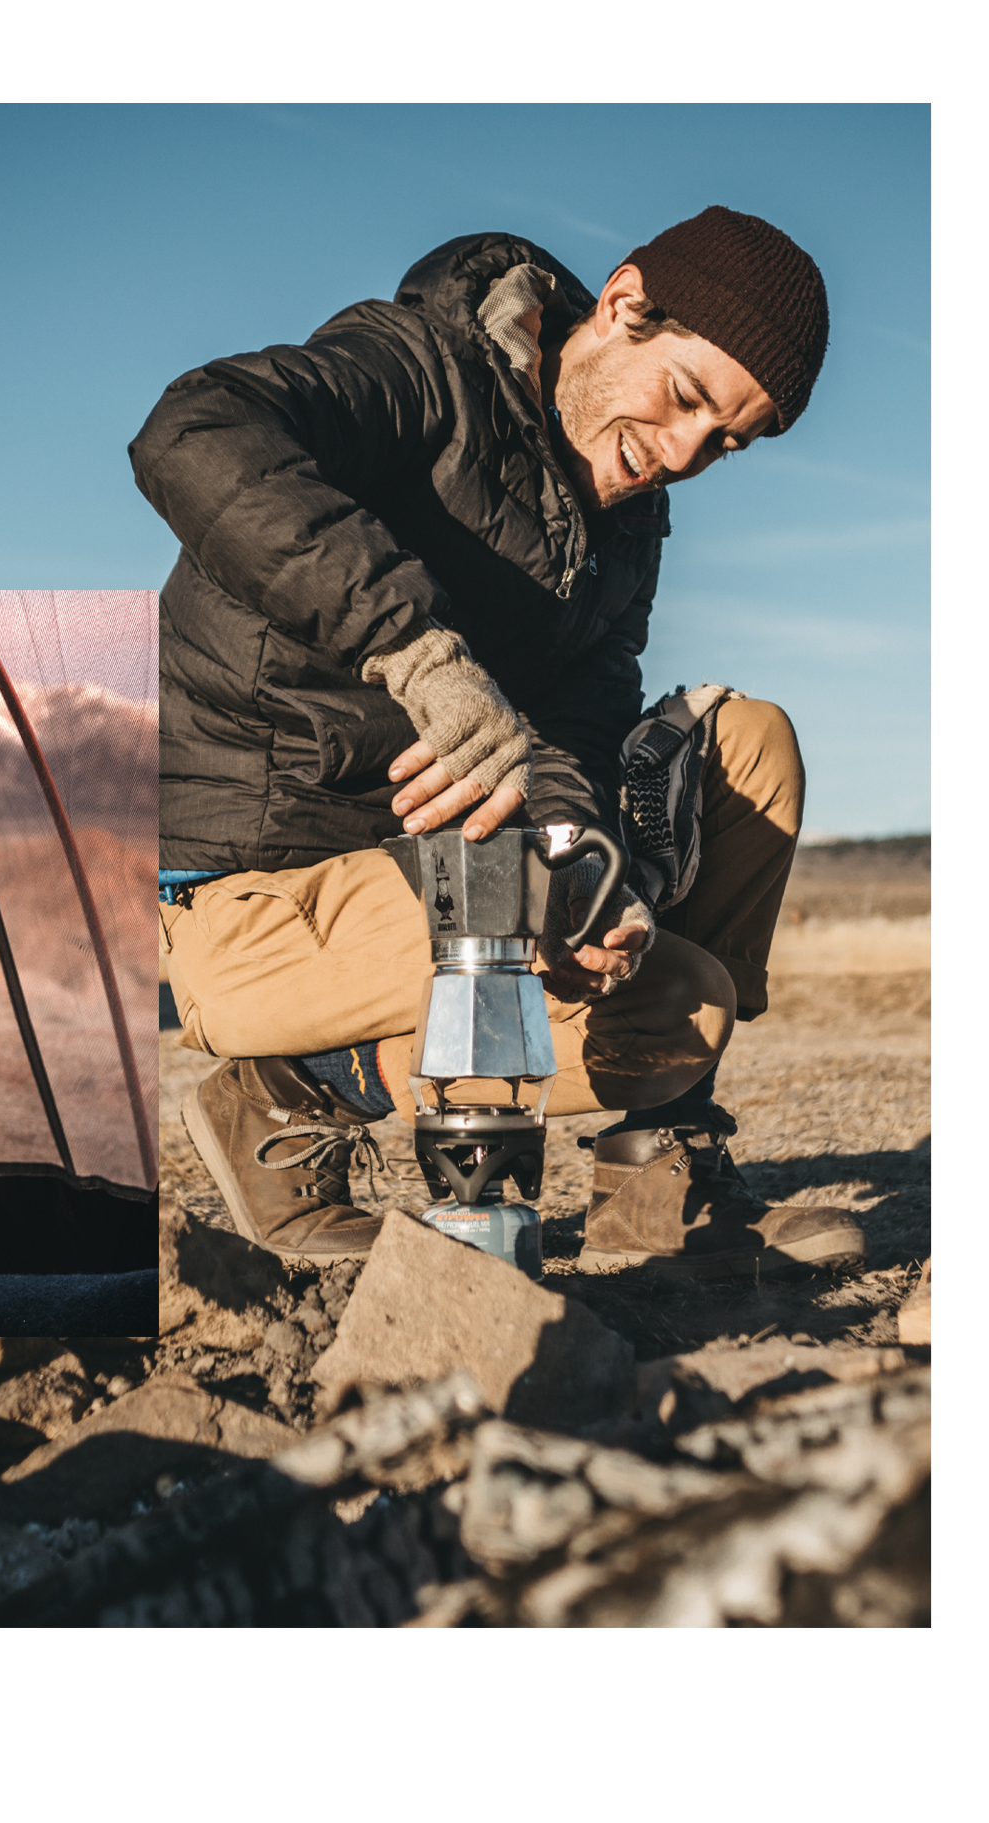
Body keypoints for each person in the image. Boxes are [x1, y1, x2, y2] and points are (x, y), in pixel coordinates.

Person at [135, 205, 864, 1277]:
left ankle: (652, 1153)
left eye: (723, 442)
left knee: (743, 755)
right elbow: (193, 431)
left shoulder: (624, 524)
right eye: (682, 397)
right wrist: (417, 652)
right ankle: (288, 1097)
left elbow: (579, 716)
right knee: (570, 928)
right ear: (621, 305)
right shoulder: (416, 370)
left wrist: (577, 855)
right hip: (245, 889)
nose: (679, 454)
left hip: (456, 866)